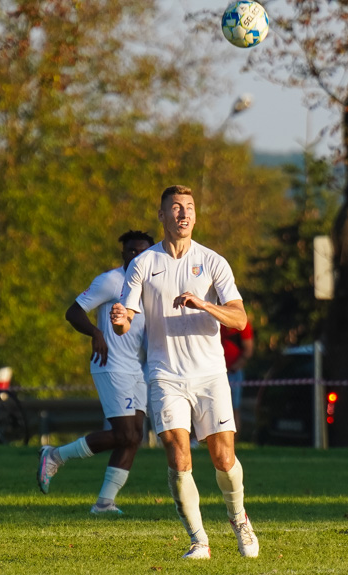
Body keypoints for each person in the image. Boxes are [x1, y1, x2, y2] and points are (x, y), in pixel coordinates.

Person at [109, 185, 259, 560]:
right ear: (162, 216)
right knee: (178, 456)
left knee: (223, 458)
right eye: (175, 208)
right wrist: (119, 319)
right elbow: (126, 323)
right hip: (165, 374)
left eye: (189, 207)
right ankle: (199, 541)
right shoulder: (144, 263)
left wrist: (206, 305)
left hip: (210, 374)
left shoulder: (213, 262)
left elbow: (240, 319)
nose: (183, 214)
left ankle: (239, 518)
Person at [37, 230, 155, 514]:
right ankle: (55, 455)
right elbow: (73, 312)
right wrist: (95, 332)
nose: (137, 256)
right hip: (110, 365)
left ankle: (104, 503)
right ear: (123, 253)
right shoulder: (111, 280)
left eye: (144, 251)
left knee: (134, 436)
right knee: (125, 433)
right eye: (131, 251)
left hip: (136, 369)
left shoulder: (153, 286)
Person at [221, 321, 253, 437]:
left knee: (234, 408)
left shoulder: (242, 324)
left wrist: (234, 368)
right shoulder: (218, 322)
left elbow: (248, 350)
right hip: (217, 372)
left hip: (233, 373)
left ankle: (234, 440)